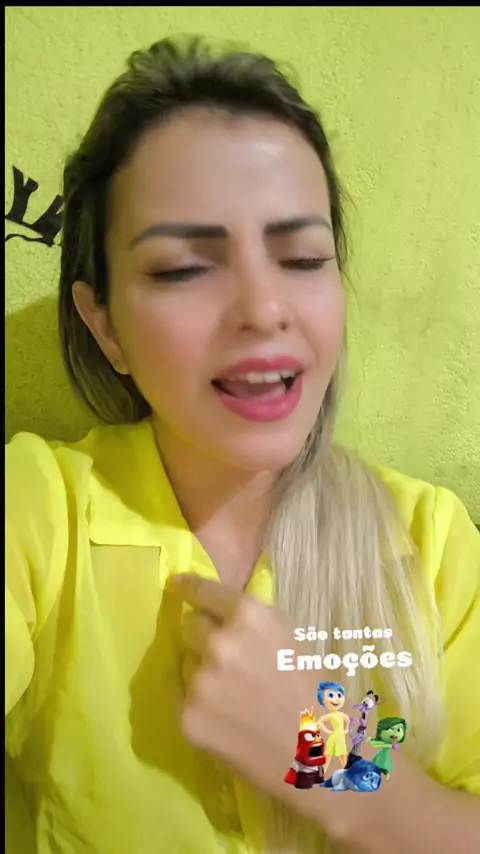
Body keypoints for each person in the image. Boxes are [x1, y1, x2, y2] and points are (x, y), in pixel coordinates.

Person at [5, 36, 480, 854]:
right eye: (184, 268)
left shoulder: (430, 542)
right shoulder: (39, 508)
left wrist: (325, 758)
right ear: (104, 325)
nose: (263, 309)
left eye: (303, 258)